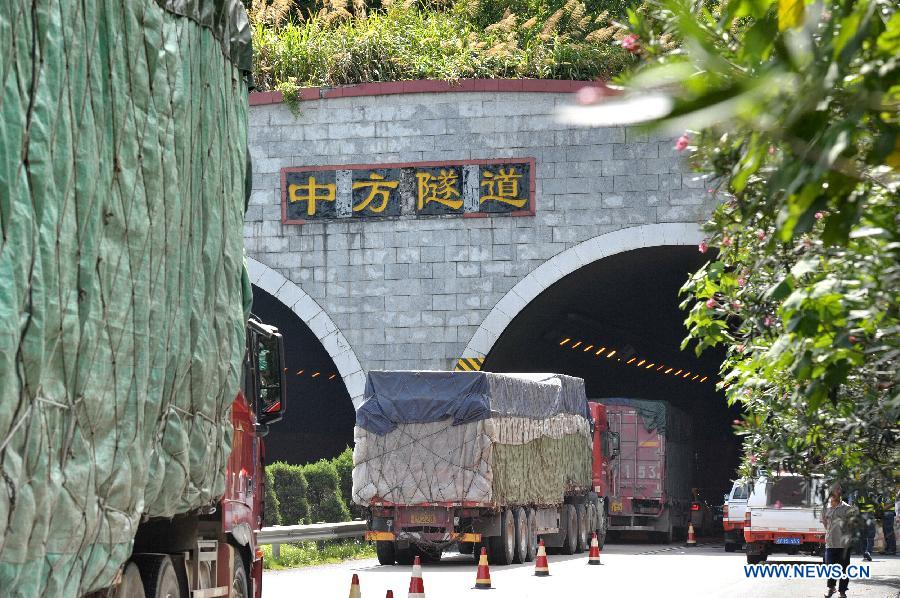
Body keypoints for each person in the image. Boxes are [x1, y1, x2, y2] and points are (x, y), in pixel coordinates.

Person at [822, 484, 858, 598]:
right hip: (830, 543)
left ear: (840, 493)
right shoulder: (825, 508)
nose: (835, 492)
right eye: (833, 490)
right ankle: (831, 588)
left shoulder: (847, 508)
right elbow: (824, 523)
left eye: (838, 490)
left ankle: (842, 592)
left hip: (844, 544)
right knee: (830, 567)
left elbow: (852, 525)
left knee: (844, 568)